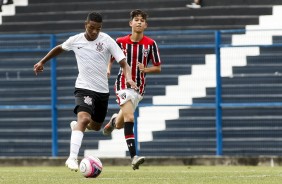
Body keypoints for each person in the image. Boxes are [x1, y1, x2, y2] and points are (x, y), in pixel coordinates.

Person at [33, 12, 137, 172]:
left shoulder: (107, 40)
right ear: (85, 25)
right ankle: (72, 158)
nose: (94, 31)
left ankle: (78, 126)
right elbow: (59, 48)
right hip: (83, 88)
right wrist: (42, 62)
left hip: (102, 91)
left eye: (98, 28)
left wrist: (129, 78)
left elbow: (124, 63)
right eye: (91, 28)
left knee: (95, 127)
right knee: (84, 118)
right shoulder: (76, 40)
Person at [103, 9, 161, 170]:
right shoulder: (120, 41)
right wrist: (108, 68)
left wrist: (146, 70)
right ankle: (134, 156)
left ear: (146, 25)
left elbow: (158, 67)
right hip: (123, 84)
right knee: (130, 117)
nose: (139, 22)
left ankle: (114, 121)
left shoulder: (150, 44)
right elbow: (111, 57)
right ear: (131, 23)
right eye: (136, 19)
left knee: (121, 124)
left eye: (142, 20)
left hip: (139, 89)